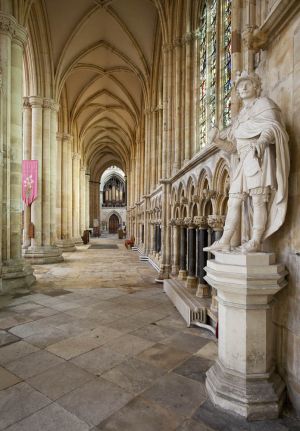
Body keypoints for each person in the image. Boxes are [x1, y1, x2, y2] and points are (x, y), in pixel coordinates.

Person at [204, 71, 290, 253]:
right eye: (239, 85)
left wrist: (262, 141)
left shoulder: (264, 105)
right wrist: (217, 141)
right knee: (233, 201)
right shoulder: (240, 116)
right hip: (243, 160)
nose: (242, 88)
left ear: (256, 87)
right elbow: (233, 148)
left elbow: (273, 127)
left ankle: (256, 241)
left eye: (247, 84)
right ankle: (225, 240)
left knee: (258, 200)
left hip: (258, 157)